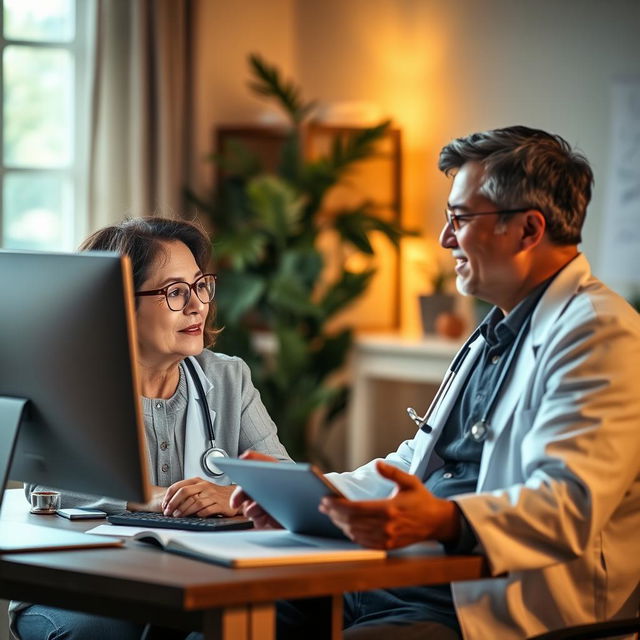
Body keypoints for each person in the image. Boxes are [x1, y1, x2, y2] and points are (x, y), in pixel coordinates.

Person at [231, 126, 640, 639]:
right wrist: (315, 495)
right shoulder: (493, 332)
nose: (446, 238)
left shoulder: (600, 333)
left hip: (479, 609)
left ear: (529, 230)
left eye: (460, 218)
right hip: (387, 578)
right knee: (221, 627)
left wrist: (442, 521)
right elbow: (415, 464)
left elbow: (567, 505)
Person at [11, 216, 290, 640]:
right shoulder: (73, 377)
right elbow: (49, 489)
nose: (198, 305)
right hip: (79, 586)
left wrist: (234, 497)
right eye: (175, 292)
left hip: (192, 582)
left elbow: (284, 483)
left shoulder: (229, 378)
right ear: (117, 302)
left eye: (200, 286)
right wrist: (151, 498)